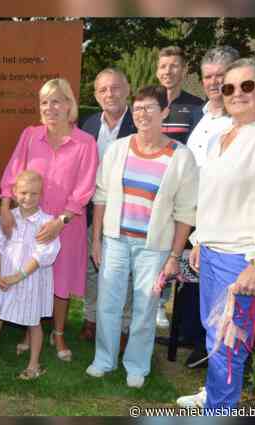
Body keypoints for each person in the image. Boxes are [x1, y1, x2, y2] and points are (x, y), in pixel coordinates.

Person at [86, 85, 198, 388]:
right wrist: (96, 239)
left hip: (154, 248)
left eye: (150, 108)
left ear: (164, 112)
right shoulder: (118, 148)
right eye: (137, 108)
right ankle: (104, 360)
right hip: (115, 240)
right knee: (108, 304)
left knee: (144, 308)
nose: (142, 114)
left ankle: (136, 365)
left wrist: (174, 257)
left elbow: (186, 213)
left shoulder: (181, 157)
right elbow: (101, 197)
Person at [177, 57, 255, 409]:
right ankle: (215, 397)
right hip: (212, 252)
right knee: (216, 339)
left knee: (230, 347)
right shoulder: (220, 136)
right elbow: (210, 196)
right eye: (229, 88)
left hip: (242, 260)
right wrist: (200, 239)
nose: (237, 94)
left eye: (248, 85)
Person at [0, 78, 98, 362]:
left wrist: (60, 221)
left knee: (60, 283)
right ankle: (31, 331)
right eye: (44, 102)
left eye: (56, 101)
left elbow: (85, 186)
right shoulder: (30, 136)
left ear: (69, 105)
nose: (49, 108)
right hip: (30, 222)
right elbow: (13, 172)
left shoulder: (85, 143)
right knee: (31, 276)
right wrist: (6, 206)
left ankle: (58, 333)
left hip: (68, 224)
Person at [172, 46, 240, 369]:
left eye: (220, 76)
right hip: (190, 212)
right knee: (190, 280)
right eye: (208, 76)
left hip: (220, 218)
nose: (214, 82)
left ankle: (209, 349)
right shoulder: (199, 115)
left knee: (215, 288)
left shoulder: (239, 119)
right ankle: (193, 336)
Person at [0, 170, 60, 380]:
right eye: (23, 193)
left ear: (41, 195)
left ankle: (33, 365)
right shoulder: (6, 218)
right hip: (4, 275)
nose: (28, 198)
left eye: (34, 194)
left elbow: (42, 255)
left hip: (30, 279)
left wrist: (19, 276)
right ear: (14, 192)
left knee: (33, 322)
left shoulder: (46, 223)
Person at [80, 68, 136, 347]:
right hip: (92, 210)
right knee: (92, 266)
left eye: (115, 88)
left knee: (123, 270)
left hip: (128, 212)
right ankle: (90, 318)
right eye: (102, 90)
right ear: (95, 95)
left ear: (127, 90)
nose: (109, 94)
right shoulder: (88, 124)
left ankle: (124, 325)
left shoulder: (138, 124)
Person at [154, 45, 204, 329]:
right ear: (157, 70)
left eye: (174, 66)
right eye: (163, 66)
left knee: (176, 249)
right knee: (156, 246)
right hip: (154, 189)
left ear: (184, 70)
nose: (168, 71)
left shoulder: (196, 106)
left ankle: (164, 306)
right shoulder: (149, 99)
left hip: (182, 191)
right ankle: (154, 299)